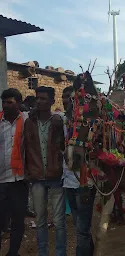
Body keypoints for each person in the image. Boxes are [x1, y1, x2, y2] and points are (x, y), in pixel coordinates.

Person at [24, 86, 66, 256]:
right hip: (36, 178)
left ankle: (60, 253)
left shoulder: (58, 122)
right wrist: (27, 172)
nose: (40, 101)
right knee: (40, 221)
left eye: (43, 98)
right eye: (38, 98)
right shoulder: (29, 122)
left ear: (52, 101)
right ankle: (43, 253)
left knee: (59, 221)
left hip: (56, 176)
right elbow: (24, 147)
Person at [62, 86, 96, 256]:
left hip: (85, 184)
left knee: (82, 229)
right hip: (68, 181)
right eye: (65, 97)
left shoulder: (90, 125)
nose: (68, 100)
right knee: (79, 225)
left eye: (71, 98)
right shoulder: (61, 122)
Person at [0, 88, 28, 256]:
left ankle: (12, 252)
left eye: (10, 102)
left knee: (18, 220)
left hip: (19, 180)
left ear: (19, 103)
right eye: (4, 102)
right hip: (1, 180)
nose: (6, 105)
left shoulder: (26, 119)